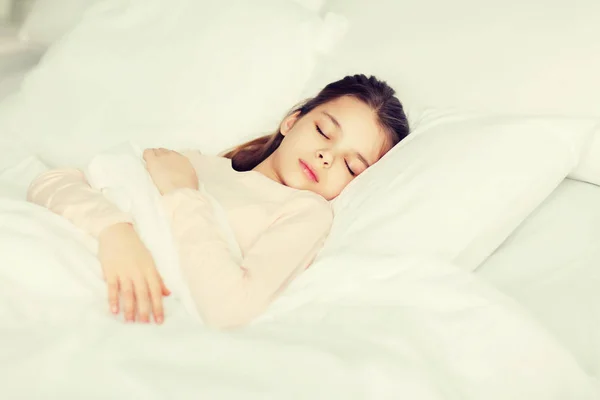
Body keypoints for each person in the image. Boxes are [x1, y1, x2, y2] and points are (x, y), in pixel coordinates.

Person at [27, 74, 410, 329]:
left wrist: (183, 194)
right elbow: (53, 181)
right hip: (76, 248)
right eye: (324, 130)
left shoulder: (305, 213)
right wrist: (116, 233)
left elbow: (230, 308)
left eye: (351, 165)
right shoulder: (198, 163)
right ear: (292, 122)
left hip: (116, 301)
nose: (327, 156)